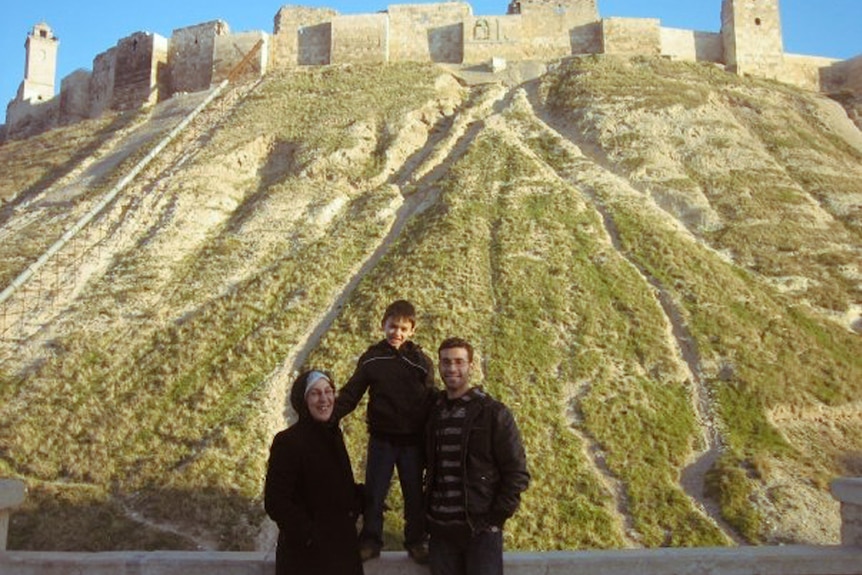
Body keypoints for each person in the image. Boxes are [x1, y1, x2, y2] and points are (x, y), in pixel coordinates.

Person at [332, 299, 436, 563]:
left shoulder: (421, 362)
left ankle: (416, 541)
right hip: (381, 441)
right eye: (392, 326)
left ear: (412, 330)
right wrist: (328, 416)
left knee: (414, 496)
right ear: (383, 325)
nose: (396, 333)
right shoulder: (372, 358)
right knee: (374, 495)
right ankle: (370, 541)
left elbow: (431, 400)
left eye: (403, 328)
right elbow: (351, 393)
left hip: (412, 444)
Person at [424, 337, 530, 575]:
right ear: (439, 366)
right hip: (440, 533)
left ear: (471, 366)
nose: (452, 368)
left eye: (459, 362)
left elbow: (517, 473)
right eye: (446, 362)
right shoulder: (434, 414)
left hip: (480, 532)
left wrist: (495, 520)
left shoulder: (493, 413)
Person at [264, 370, 364, 575]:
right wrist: (310, 536)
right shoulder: (288, 442)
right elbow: (276, 501)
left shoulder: (333, 436)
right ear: (303, 400)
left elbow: (333, 488)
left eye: (328, 392)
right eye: (315, 394)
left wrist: (362, 498)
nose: (324, 399)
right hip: (306, 559)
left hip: (341, 553)